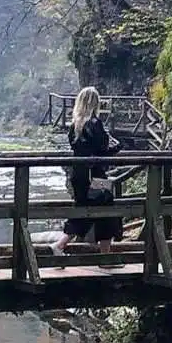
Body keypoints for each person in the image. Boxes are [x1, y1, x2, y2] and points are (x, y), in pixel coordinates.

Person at [49, 86, 124, 267]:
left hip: (79, 175)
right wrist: (117, 147)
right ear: (94, 103)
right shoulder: (94, 123)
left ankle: (62, 245)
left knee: (84, 211)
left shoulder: (75, 125)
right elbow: (102, 151)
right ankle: (102, 258)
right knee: (107, 213)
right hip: (95, 176)